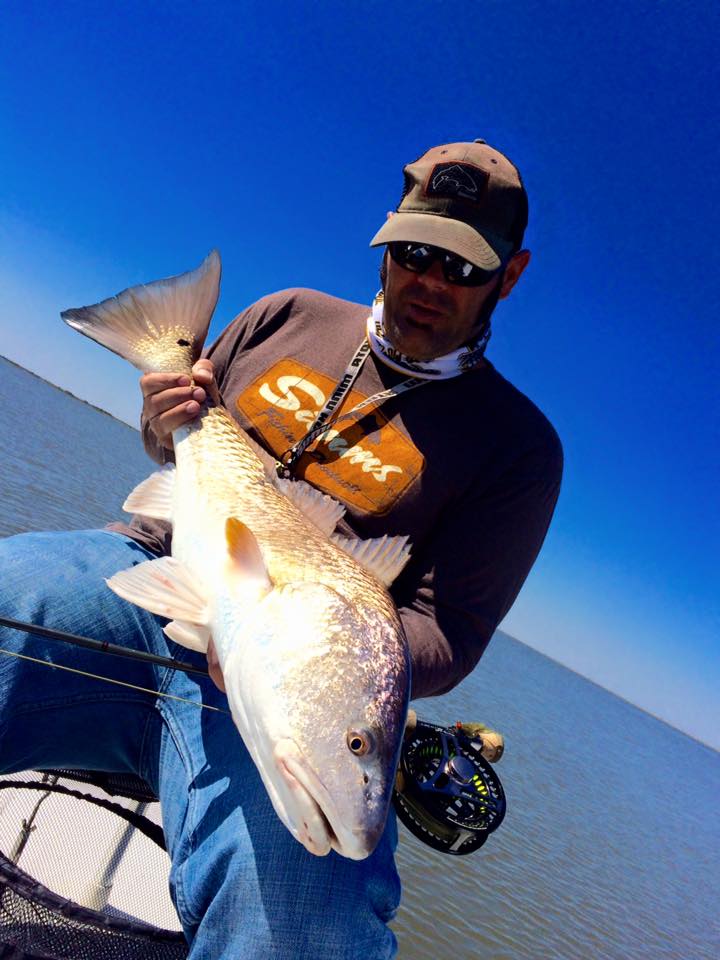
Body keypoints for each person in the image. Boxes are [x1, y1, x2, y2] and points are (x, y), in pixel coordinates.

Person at [0, 139, 562, 959]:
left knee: (305, 933)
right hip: (145, 574)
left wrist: (297, 648)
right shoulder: (289, 313)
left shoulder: (517, 448)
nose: (430, 281)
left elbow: (445, 636)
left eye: (465, 268)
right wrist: (164, 412)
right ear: (388, 242)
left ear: (510, 275)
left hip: (294, 693)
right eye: (414, 253)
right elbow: (176, 444)